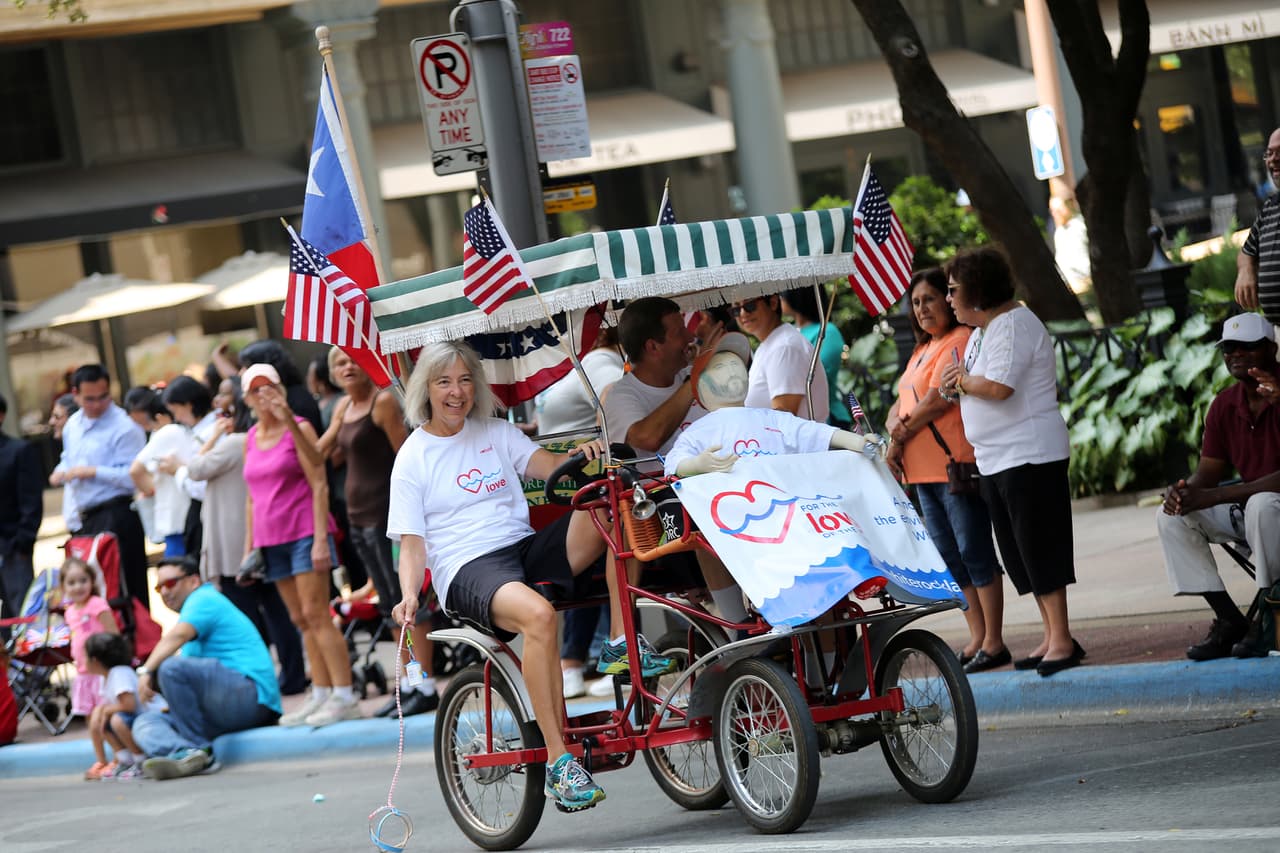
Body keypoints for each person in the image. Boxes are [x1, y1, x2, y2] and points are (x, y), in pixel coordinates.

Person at [388, 341, 673, 813]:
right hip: (468, 567)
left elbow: (550, 472)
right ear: (426, 390)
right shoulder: (414, 456)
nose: (456, 392)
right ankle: (560, 764)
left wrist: (586, 457)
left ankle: (621, 640)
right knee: (541, 617)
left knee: (613, 507)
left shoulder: (495, 431)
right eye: (444, 382)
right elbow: (412, 544)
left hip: (522, 549)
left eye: (464, 380)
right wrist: (407, 595)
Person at [939, 247, 1085, 677]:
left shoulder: (1015, 324)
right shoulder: (985, 331)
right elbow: (976, 383)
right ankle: (1050, 634)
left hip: (1030, 454)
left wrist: (962, 382)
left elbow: (999, 386)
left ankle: (1062, 638)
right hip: (997, 459)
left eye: (953, 290)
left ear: (977, 291)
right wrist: (958, 384)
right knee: (1021, 553)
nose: (949, 299)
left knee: (1041, 546)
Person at [601, 297, 749, 639]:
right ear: (653, 346)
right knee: (703, 505)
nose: (689, 338)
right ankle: (739, 627)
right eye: (680, 331)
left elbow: (737, 347)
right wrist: (691, 382)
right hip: (659, 512)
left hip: (723, 486)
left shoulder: (691, 374)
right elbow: (647, 438)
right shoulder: (624, 395)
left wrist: (703, 365)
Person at [884, 269, 1006, 671]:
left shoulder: (957, 341)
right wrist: (892, 427)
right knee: (951, 558)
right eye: (916, 303)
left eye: (930, 299)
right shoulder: (921, 350)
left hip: (954, 466)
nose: (922, 309)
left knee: (975, 551)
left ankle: (994, 639)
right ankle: (976, 636)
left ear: (947, 302)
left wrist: (899, 435)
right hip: (921, 474)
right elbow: (901, 401)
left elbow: (938, 400)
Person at [316, 347, 438, 717]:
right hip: (359, 522)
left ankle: (423, 684)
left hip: (389, 521)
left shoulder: (382, 403)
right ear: (332, 373)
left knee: (410, 605)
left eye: (353, 359)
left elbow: (406, 453)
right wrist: (330, 423)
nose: (347, 367)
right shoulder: (342, 408)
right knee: (388, 608)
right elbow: (319, 454)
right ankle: (407, 683)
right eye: (340, 363)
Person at [1157, 313, 1280, 659]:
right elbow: (1207, 474)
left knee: (1263, 504)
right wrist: (1184, 491)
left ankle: (1271, 617)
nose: (1236, 354)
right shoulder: (1225, 404)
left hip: (1269, 509)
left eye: (1247, 347)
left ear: (1271, 348)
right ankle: (1230, 620)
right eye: (1229, 348)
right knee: (1172, 517)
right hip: (1253, 509)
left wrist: (1216, 494)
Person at [242, 363, 357, 727]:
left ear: (281, 388)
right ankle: (321, 691)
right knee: (299, 619)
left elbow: (319, 478)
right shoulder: (250, 436)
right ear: (247, 397)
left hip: (305, 532)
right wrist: (250, 547)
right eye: (255, 390)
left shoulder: (300, 426)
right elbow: (250, 497)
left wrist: (321, 539)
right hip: (270, 537)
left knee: (316, 613)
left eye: (269, 387)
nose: (263, 396)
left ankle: (345, 693)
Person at [185, 376, 305, 693]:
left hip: (241, 543)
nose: (218, 406)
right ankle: (289, 677)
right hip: (255, 539)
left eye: (225, 399)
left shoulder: (236, 441)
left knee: (251, 619)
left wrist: (211, 437)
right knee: (278, 614)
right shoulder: (250, 440)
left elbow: (193, 469)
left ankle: (263, 680)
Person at [534, 326, 625, 698]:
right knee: (597, 530)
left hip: (585, 488)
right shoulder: (585, 362)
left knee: (604, 525)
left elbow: (613, 401)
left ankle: (600, 652)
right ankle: (584, 656)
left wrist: (605, 443)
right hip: (567, 491)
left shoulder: (598, 361)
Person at [133, 556, 282, 780]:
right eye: (159, 587)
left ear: (193, 581)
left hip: (252, 698)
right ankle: (184, 753)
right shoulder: (191, 620)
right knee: (144, 723)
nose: (164, 591)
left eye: (171, 583)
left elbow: (178, 636)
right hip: (219, 711)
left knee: (171, 668)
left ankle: (199, 749)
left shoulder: (204, 598)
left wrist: (146, 671)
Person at [663, 333, 882, 477]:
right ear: (700, 387)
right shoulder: (698, 431)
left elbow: (814, 432)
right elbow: (673, 462)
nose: (733, 370)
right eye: (721, 367)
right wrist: (696, 465)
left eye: (736, 364)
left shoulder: (772, 418)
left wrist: (860, 442)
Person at [50, 365, 150, 608]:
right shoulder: (73, 424)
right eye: (89, 399)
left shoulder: (124, 426)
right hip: (85, 516)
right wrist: (60, 472)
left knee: (125, 590)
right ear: (76, 395)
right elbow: (69, 458)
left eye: (103, 397)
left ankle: (136, 642)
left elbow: (134, 475)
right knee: (93, 591)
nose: (97, 404)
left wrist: (93, 472)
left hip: (117, 512)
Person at [730, 294, 829, 421]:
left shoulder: (784, 348)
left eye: (750, 305)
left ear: (773, 302)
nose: (743, 313)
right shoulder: (770, 344)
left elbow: (783, 419)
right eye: (736, 309)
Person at [83, 632, 165, 781]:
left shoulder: (119, 673)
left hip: (150, 720)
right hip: (136, 719)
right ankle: (125, 760)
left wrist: (105, 711)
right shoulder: (106, 676)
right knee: (102, 715)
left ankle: (140, 762)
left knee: (115, 719)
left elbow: (129, 705)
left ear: (94, 660)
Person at [0, 393, 44, 630]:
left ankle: (28, 666)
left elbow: (31, 502)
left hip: (13, 548)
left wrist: (23, 543)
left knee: (22, 614)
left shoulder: (19, 451)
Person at [782, 285, 852, 428]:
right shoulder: (789, 332)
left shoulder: (828, 331)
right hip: (798, 421)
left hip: (827, 419)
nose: (779, 298)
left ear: (798, 296)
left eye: (783, 293)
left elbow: (820, 375)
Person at [59, 556, 121, 717]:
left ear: (92, 581)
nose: (78, 586)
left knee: (107, 712)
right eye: (71, 583)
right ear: (63, 587)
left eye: (83, 580)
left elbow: (113, 633)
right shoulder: (69, 611)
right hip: (83, 671)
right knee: (91, 715)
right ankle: (97, 742)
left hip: (102, 670)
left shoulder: (97, 604)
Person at [1236, 127, 1280, 327]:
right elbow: (1247, 252)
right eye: (1269, 153)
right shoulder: (1270, 207)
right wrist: (1246, 270)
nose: (1272, 159)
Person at [48, 393, 80, 533]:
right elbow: (56, 476)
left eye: (57, 416)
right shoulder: (70, 446)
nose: (51, 422)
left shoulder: (83, 446)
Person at [1049, 196, 1091, 296]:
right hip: (1069, 282)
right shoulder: (1059, 233)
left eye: (1059, 210)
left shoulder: (1080, 225)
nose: (1055, 214)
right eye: (1052, 211)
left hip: (1085, 280)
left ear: (1068, 207)